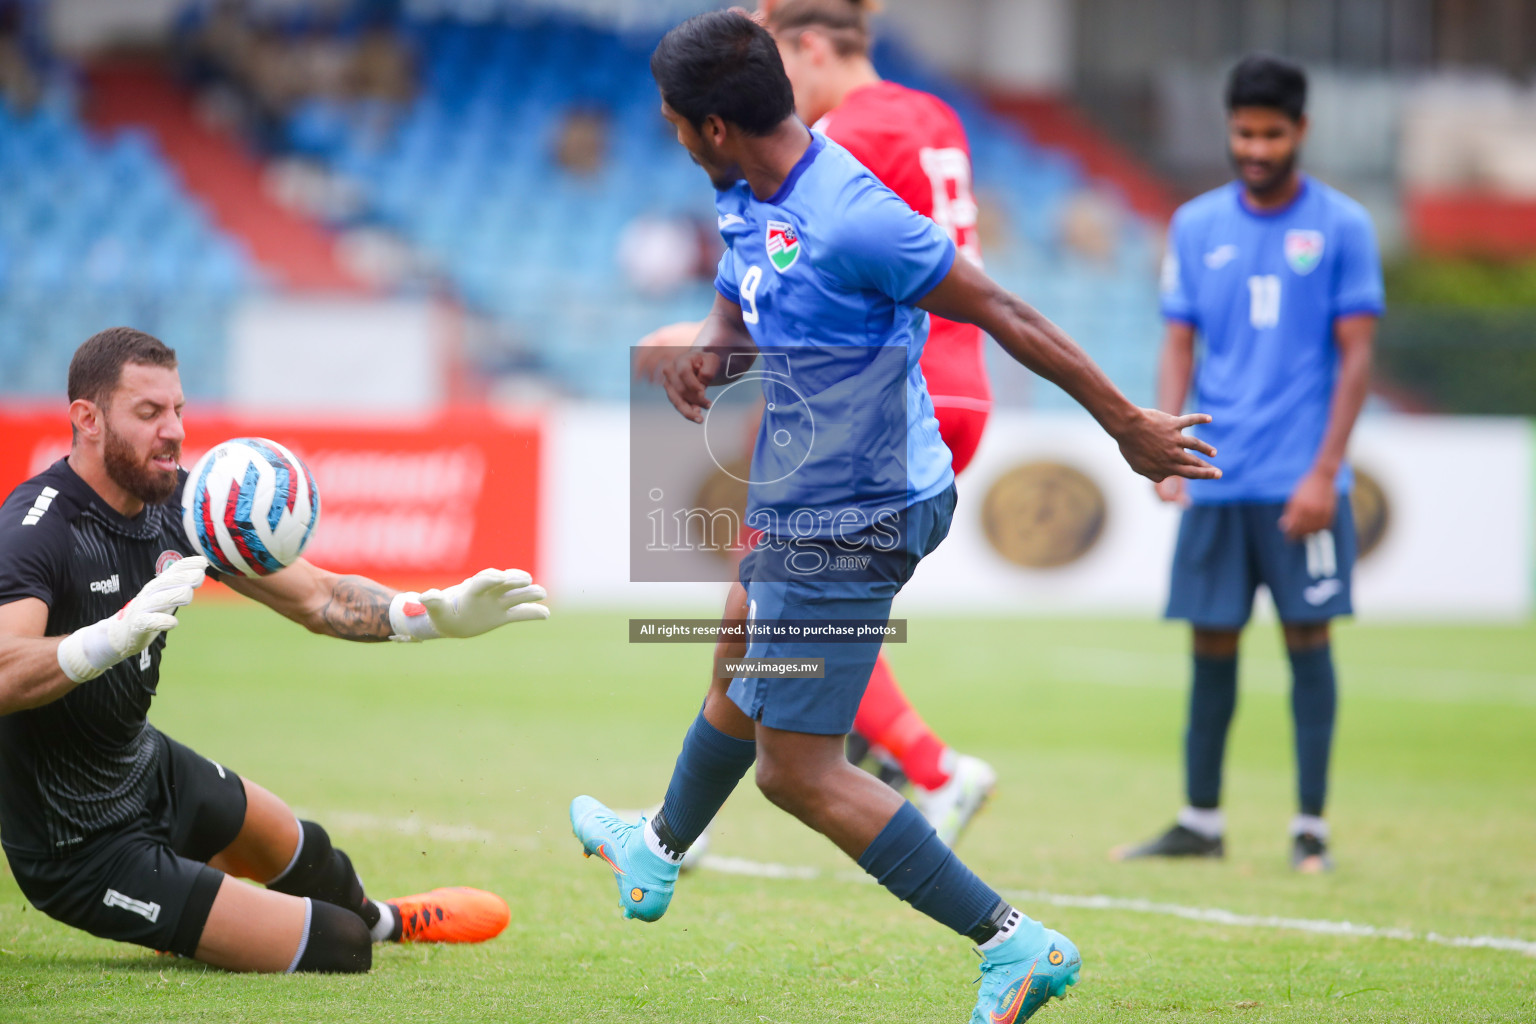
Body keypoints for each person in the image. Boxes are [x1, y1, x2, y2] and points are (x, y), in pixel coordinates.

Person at [572, 13, 1218, 1022]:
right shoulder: (742, 188)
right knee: (740, 633)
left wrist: (1128, 424)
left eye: (669, 125)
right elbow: (743, 292)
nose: (671, 139)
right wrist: (712, 343)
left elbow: (1006, 312)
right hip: (812, 495)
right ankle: (654, 849)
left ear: (708, 126)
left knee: (798, 773)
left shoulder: (852, 212)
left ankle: (1018, 945)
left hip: (858, 508)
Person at [0, 327, 550, 973]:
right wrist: (109, 637)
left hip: (143, 768)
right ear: (86, 419)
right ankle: (189, 909)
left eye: (177, 409)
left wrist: (429, 616)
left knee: (297, 845)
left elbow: (315, 596)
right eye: (148, 414)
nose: (173, 431)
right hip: (78, 843)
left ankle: (385, 919)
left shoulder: (179, 503)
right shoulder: (38, 528)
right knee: (335, 949)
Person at [635, 0, 997, 848]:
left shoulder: (836, 143)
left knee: (775, 597)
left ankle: (928, 769)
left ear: (805, 46)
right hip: (958, 378)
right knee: (758, 596)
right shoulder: (931, 113)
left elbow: (799, 263)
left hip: (871, 391)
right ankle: (679, 824)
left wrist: (694, 340)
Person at [1114, 55, 1381, 873]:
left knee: (1309, 641)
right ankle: (1201, 821)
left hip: (1301, 483)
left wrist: (1323, 471)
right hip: (1218, 474)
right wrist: (1166, 448)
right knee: (1211, 643)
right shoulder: (1195, 227)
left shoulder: (1343, 227)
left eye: (1270, 133)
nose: (1255, 148)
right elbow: (1178, 341)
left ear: (1299, 132)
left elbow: (1358, 356)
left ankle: (1311, 831)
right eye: (1243, 133)